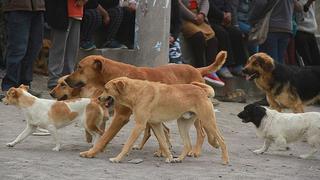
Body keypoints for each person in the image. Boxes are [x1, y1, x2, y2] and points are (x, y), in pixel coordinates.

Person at [250, 0, 294, 106]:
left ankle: (269, 98)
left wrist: (251, 19)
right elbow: (298, 7)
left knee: (269, 66)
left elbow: (260, 4)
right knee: (279, 64)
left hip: (272, 27)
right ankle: (281, 97)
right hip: (287, 27)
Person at [1, 0, 45, 98]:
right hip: (17, 6)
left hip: (38, 7)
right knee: (17, 49)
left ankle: (25, 86)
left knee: (34, 47)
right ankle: (9, 86)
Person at [179, 0, 224, 87]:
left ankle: (210, 71)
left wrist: (202, 14)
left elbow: (205, 1)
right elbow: (178, 4)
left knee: (213, 39)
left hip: (199, 17)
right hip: (185, 18)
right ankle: (201, 70)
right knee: (198, 37)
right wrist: (194, 17)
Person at [46, 0, 85, 89]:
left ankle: (68, 78)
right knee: (58, 48)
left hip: (77, 12)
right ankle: (54, 80)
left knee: (72, 48)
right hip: (61, 11)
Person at [207, 0, 248, 78]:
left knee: (236, 33)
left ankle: (237, 65)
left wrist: (228, 13)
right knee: (222, 33)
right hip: (211, 20)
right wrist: (222, 15)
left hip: (223, 19)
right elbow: (209, 6)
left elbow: (228, 3)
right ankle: (223, 65)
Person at [295, 0, 320, 65]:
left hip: (311, 32)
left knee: (316, 61)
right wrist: (308, 3)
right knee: (306, 61)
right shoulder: (298, 2)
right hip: (301, 32)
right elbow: (300, 11)